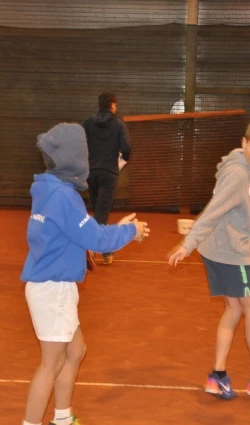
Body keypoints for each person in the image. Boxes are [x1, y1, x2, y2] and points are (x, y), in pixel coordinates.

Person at [20, 123, 149, 425]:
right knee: (50, 365)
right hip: (53, 290)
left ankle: (62, 418)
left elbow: (81, 232)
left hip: (54, 287)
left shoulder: (49, 189)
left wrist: (116, 228)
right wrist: (130, 231)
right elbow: (95, 239)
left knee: (76, 351)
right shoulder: (64, 196)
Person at [168, 118, 250, 401]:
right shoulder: (237, 174)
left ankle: (217, 376)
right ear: (243, 143)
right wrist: (188, 243)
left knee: (234, 309)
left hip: (219, 246)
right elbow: (213, 211)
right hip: (230, 252)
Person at [82, 91, 132, 266]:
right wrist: (121, 161)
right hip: (109, 173)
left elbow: (79, 143)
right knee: (102, 211)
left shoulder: (87, 123)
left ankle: (106, 251)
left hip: (91, 173)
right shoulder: (118, 125)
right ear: (112, 106)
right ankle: (90, 248)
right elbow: (127, 148)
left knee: (99, 210)